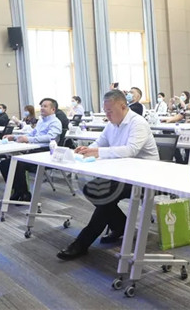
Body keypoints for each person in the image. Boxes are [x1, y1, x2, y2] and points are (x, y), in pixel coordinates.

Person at [56, 90, 159, 260]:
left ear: (123, 106)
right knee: (91, 189)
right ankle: (122, 226)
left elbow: (131, 150)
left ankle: (82, 243)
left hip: (144, 176)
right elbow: (100, 142)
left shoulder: (138, 123)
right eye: (105, 111)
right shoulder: (112, 124)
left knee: (103, 195)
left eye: (110, 111)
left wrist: (98, 152)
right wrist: (87, 149)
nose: (107, 115)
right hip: (122, 173)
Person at [0, 98, 62, 202]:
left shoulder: (55, 122)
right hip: (34, 149)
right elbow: (31, 134)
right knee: (4, 164)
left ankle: (25, 194)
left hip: (45, 152)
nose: (42, 108)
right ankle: (18, 191)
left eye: (45, 106)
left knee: (17, 163)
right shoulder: (41, 121)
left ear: (53, 109)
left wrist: (28, 139)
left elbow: (50, 137)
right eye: (41, 106)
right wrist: (14, 137)